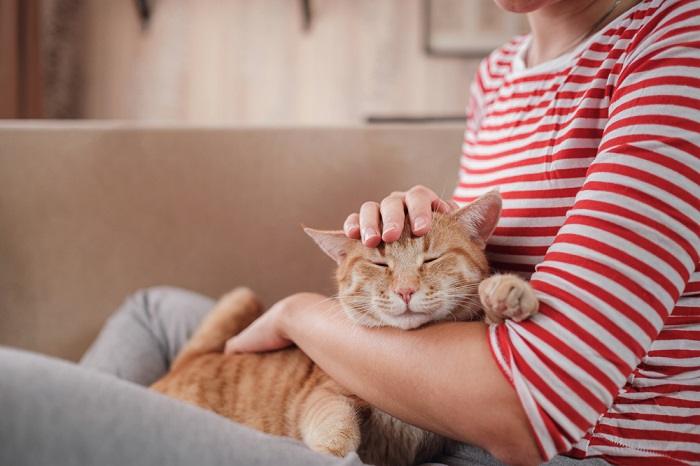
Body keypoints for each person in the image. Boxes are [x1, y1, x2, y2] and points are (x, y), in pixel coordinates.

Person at [1, 1, 697, 465]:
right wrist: (425, 225)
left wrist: (303, 316)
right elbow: (482, 264)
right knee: (154, 313)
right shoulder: (497, 77)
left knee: (18, 396)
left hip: (525, 444)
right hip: (438, 363)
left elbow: (530, 406)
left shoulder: (678, 46)